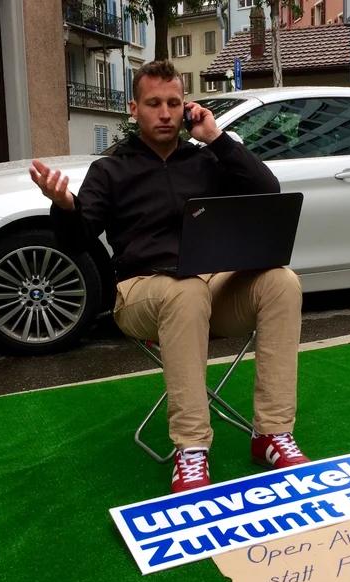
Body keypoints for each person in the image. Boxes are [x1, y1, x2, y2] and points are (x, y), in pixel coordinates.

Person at [29, 60, 309, 494]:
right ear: (133, 108)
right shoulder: (111, 169)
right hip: (141, 293)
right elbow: (76, 239)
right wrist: (64, 205)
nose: (165, 113)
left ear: (187, 108)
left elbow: (267, 192)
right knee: (184, 292)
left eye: (174, 103)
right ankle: (192, 449)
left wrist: (216, 138)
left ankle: (271, 433)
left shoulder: (206, 161)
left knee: (281, 282)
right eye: (154, 103)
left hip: (209, 287)